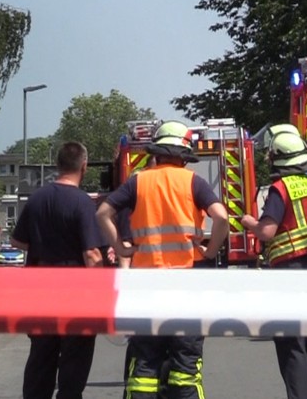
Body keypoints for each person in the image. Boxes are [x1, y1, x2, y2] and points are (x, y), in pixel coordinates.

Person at [96, 120, 229, 399]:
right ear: (183, 156)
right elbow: (222, 217)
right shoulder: (193, 182)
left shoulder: (138, 181)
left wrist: (120, 248)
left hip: (148, 283)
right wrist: (210, 249)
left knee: (145, 365)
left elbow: (103, 213)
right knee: (185, 368)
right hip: (187, 283)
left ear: (156, 152)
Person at [241, 130, 307, 399]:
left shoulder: (281, 188)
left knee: (291, 342)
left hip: (288, 273)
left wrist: (249, 222)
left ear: (278, 159)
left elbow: (267, 232)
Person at [10, 141, 104, 399]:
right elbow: (92, 254)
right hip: (75, 297)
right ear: (83, 167)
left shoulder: (37, 199)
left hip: (39, 293)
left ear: (57, 165)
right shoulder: (83, 202)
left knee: (41, 359)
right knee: (73, 367)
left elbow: (16, 241)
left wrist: (43, 242)